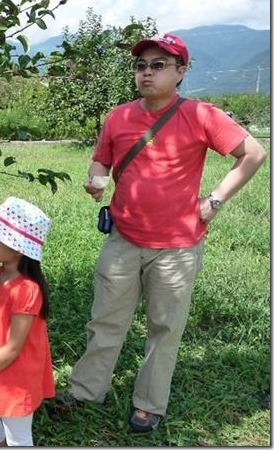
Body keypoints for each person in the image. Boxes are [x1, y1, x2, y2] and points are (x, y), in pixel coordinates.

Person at [55, 33, 266, 432]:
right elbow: (100, 161)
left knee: (164, 329)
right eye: (141, 65)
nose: (146, 72)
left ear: (181, 71)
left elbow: (253, 154)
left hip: (177, 247)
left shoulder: (201, 114)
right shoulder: (118, 117)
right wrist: (95, 179)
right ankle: (85, 390)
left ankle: (149, 403)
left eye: (158, 65)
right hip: (123, 239)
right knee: (104, 321)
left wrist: (215, 200)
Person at [0, 197, 56, 446]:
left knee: (17, 436)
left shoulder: (28, 289)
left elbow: (14, 347)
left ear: (17, 247)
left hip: (18, 377)